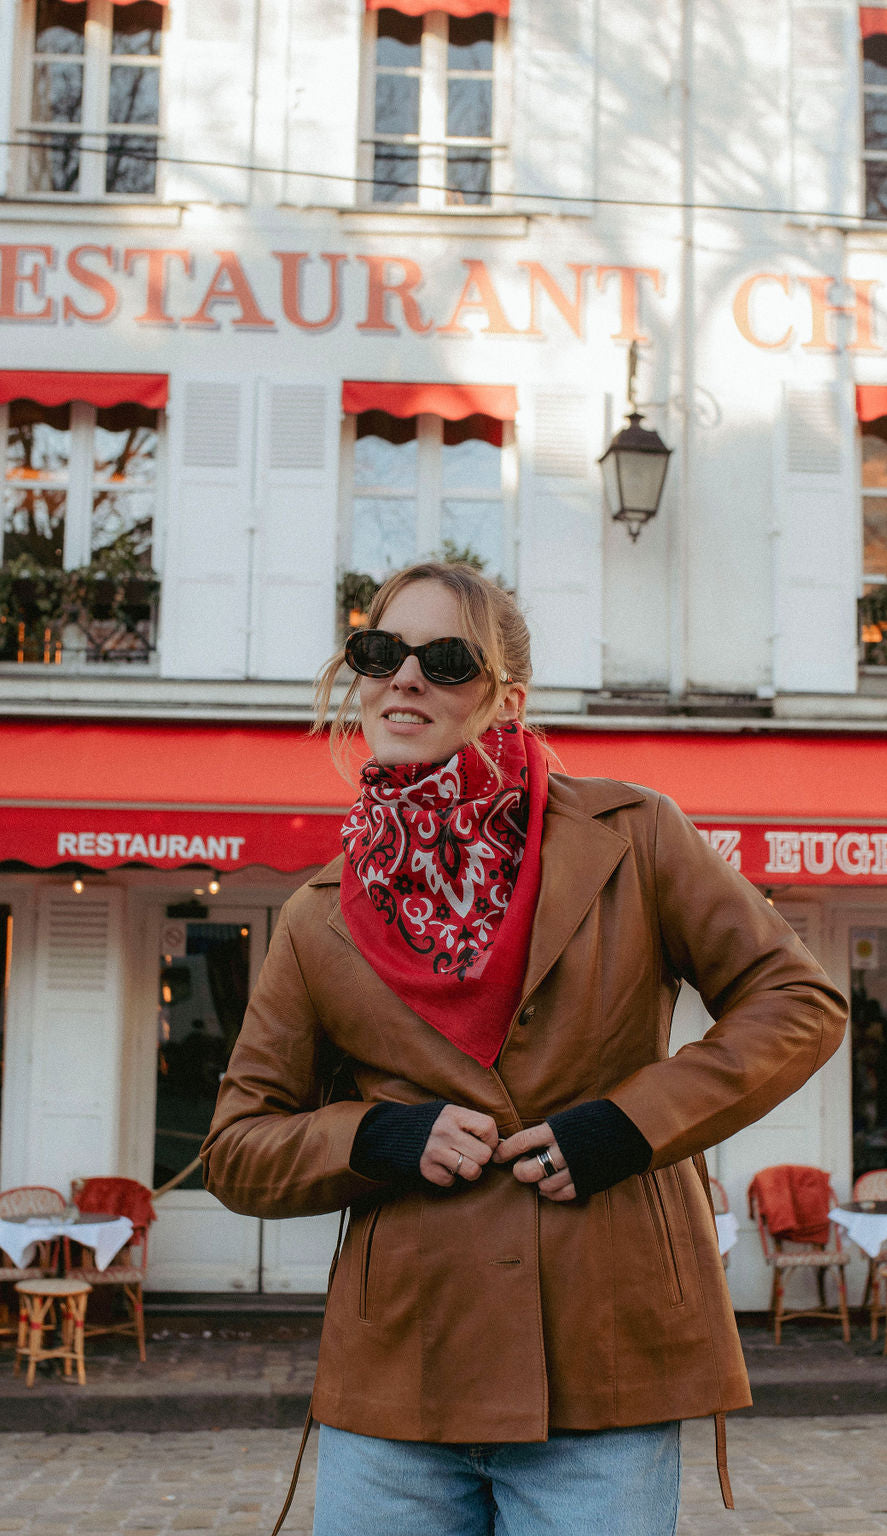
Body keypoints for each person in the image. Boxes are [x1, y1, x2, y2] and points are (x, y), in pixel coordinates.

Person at [201, 561, 847, 1536]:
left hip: (606, 1358)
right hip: (400, 1372)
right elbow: (239, 1146)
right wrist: (374, 1138)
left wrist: (628, 1126)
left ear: (506, 697)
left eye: (445, 659)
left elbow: (796, 999)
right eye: (381, 652)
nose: (405, 678)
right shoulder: (317, 913)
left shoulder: (633, 837)